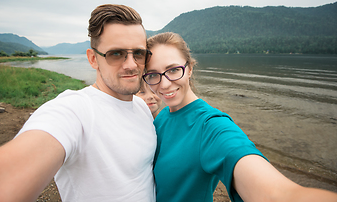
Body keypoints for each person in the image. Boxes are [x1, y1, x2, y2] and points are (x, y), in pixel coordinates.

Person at [0, 4, 157, 202]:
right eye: (116, 54)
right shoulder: (74, 110)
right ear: (93, 59)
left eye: (139, 54)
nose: (131, 64)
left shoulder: (141, 107)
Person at [143, 32, 337, 202]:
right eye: (153, 75)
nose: (165, 84)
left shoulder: (210, 125)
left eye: (174, 70)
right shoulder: (162, 117)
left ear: (190, 68)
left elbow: (276, 195)